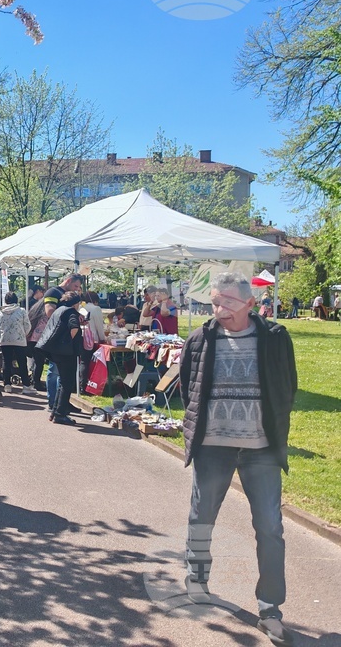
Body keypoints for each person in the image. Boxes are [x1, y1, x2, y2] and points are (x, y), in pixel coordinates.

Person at [180, 272, 297, 647]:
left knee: (270, 527)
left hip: (261, 448)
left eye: (226, 302)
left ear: (249, 303)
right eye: (214, 302)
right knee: (202, 517)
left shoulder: (275, 338)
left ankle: (270, 609)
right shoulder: (200, 338)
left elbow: (287, 386)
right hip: (213, 446)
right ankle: (197, 579)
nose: (218, 310)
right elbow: (189, 387)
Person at [37, 290, 83, 425]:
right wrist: (69, 341)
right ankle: (60, 414)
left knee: (62, 381)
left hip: (56, 351)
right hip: (67, 352)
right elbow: (73, 327)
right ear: (75, 303)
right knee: (67, 383)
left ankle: (55, 411)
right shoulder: (71, 312)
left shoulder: (59, 310)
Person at [0, 291, 33, 395]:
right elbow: (28, 325)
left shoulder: (0, 311)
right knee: (22, 362)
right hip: (19, 340)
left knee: (6, 362)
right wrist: (23, 334)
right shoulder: (21, 311)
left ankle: (7, 384)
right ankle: (26, 385)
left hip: (5, 339)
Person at [79, 291, 107, 394]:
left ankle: (80, 384)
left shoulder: (81, 308)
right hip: (91, 338)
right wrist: (102, 338)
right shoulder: (96, 309)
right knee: (87, 362)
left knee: (82, 361)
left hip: (80, 337)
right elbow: (99, 325)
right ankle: (85, 385)